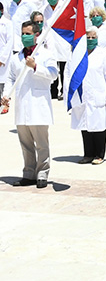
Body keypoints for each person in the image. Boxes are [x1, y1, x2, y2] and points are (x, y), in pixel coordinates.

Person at [2, 21, 58, 188]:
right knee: (25, 143)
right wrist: (6, 95)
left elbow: (53, 75)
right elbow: (10, 78)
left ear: (36, 35)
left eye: (28, 33)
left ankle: (42, 173)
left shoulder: (46, 55)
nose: (25, 36)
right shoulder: (16, 57)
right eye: (23, 33)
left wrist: (35, 66)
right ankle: (28, 173)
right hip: (22, 105)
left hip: (38, 105)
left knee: (41, 143)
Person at [66, 27, 106, 165]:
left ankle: (99, 155)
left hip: (99, 95)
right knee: (85, 125)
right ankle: (88, 154)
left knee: (99, 126)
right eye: (88, 37)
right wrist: (69, 97)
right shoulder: (77, 54)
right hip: (82, 96)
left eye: (93, 37)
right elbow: (68, 75)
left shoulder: (103, 54)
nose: (90, 40)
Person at [0, 2, 13, 113]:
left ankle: (5, 105)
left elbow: (9, 42)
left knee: (4, 83)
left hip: (4, 57)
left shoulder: (7, 23)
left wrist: (2, 59)